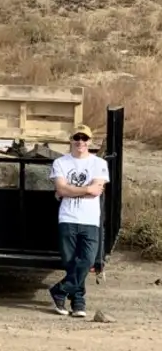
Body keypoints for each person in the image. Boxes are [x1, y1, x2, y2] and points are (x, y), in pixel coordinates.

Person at [49, 124, 109, 317]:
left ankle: (60, 290)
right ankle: (78, 303)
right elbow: (62, 189)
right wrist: (85, 190)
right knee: (71, 262)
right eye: (77, 137)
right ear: (71, 140)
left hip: (90, 220)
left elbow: (95, 189)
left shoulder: (99, 163)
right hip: (68, 218)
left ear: (90, 141)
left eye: (84, 138)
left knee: (87, 260)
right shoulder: (61, 162)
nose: (80, 141)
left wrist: (69, 191)